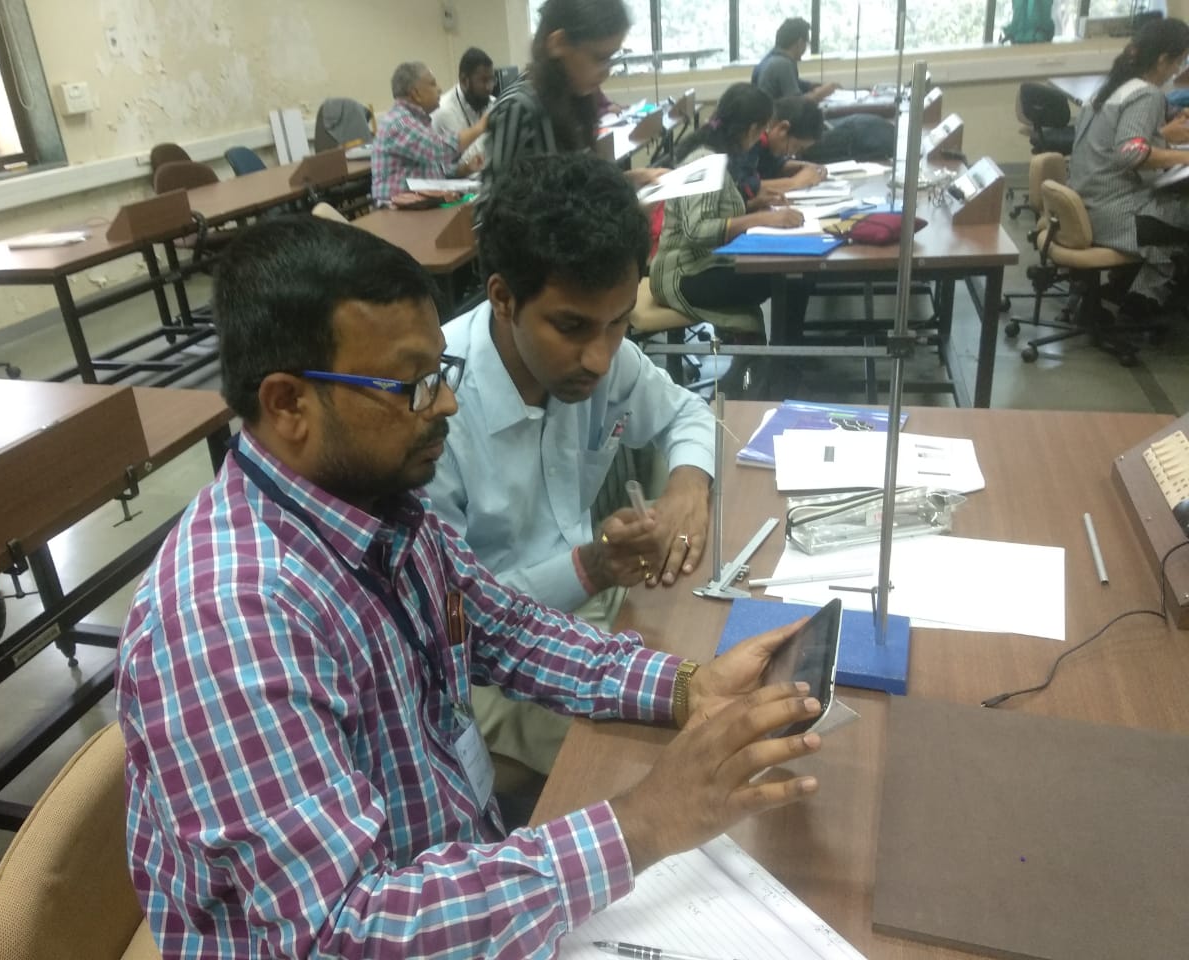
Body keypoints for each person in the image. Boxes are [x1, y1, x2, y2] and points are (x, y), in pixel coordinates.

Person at [115, 214, 824, 958]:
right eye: (412, 387)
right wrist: (642, 823)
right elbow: (343, 932)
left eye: (441, 374)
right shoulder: (227, 624)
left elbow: (504, 628)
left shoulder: (379, 505)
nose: (446, 405)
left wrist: (684, 686)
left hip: (448, 871)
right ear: (289, 403)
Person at [428, 152, 716, 775]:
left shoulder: (599, 354)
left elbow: (688, 413)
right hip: (484, 670)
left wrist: (687, 489)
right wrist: (589, 567)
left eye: (618, 324)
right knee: (661, 760)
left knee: (716, 654)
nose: (599, 357)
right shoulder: (432, 408)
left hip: (591, 609)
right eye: (572, 327)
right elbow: (448, 618)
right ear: (503, 298)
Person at [650, 84, 810, 368]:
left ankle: (780, 366)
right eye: (761, 130)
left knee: (793, 278)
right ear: (752, 129)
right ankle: (778, 370)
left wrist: (754, 205)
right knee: (788, 279)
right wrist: (762, 218)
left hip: (703, 265)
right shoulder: (706, 160)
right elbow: (697, 231)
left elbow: (714, 212)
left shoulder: (718, 154)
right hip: (683, 274)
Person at [1069, 18, 1189, 324]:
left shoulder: (1109, 90)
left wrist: (1165, 137)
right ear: (1162, 59)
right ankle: (1143, 299)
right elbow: (1131, 152)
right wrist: (1184, 157)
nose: (1178, 71)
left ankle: (1132, 290)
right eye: (1178, 62)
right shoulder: (1146, 94)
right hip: (1117, 216)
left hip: (1086, 208)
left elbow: (1120, 142)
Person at [484, 0, 661, 189]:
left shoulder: (575, 98)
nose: (606, 72)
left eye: (611, 59)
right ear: (558, 43)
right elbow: (496, 204)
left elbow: (575, 187)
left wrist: (626, 183)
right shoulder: (518, 108)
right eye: (599, 58)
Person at [371, 61, 487, 205]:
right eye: (433, 84)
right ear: (416, 93)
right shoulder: (399, 123)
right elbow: (438, 149)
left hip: (417, 205)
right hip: (395, 210)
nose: (439, 89)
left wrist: (464, 169)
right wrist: (481, 126)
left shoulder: (416, 120)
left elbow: (432, 169)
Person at [735, 95, 829, 210]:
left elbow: (773, 165)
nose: (793, 154)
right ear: (782, 129)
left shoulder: (769, 141)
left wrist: (803, 166)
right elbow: (744, 187)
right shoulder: (749, 140)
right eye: (795, 147)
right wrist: (795, 182)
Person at [432, 46, 496, 169]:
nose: (489, 87)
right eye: (483, 81)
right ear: (464, 80)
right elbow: (463, 160)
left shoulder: (492, 103)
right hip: (456, 178)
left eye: (492, 80)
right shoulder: (442, 110)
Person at [751, 18, 839, 105]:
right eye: (806, 43)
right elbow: (797, 104)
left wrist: (814, 86)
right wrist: (820, 93)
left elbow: (794, 82)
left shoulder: (768, 60)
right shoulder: (783, 64)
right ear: (800, 43)